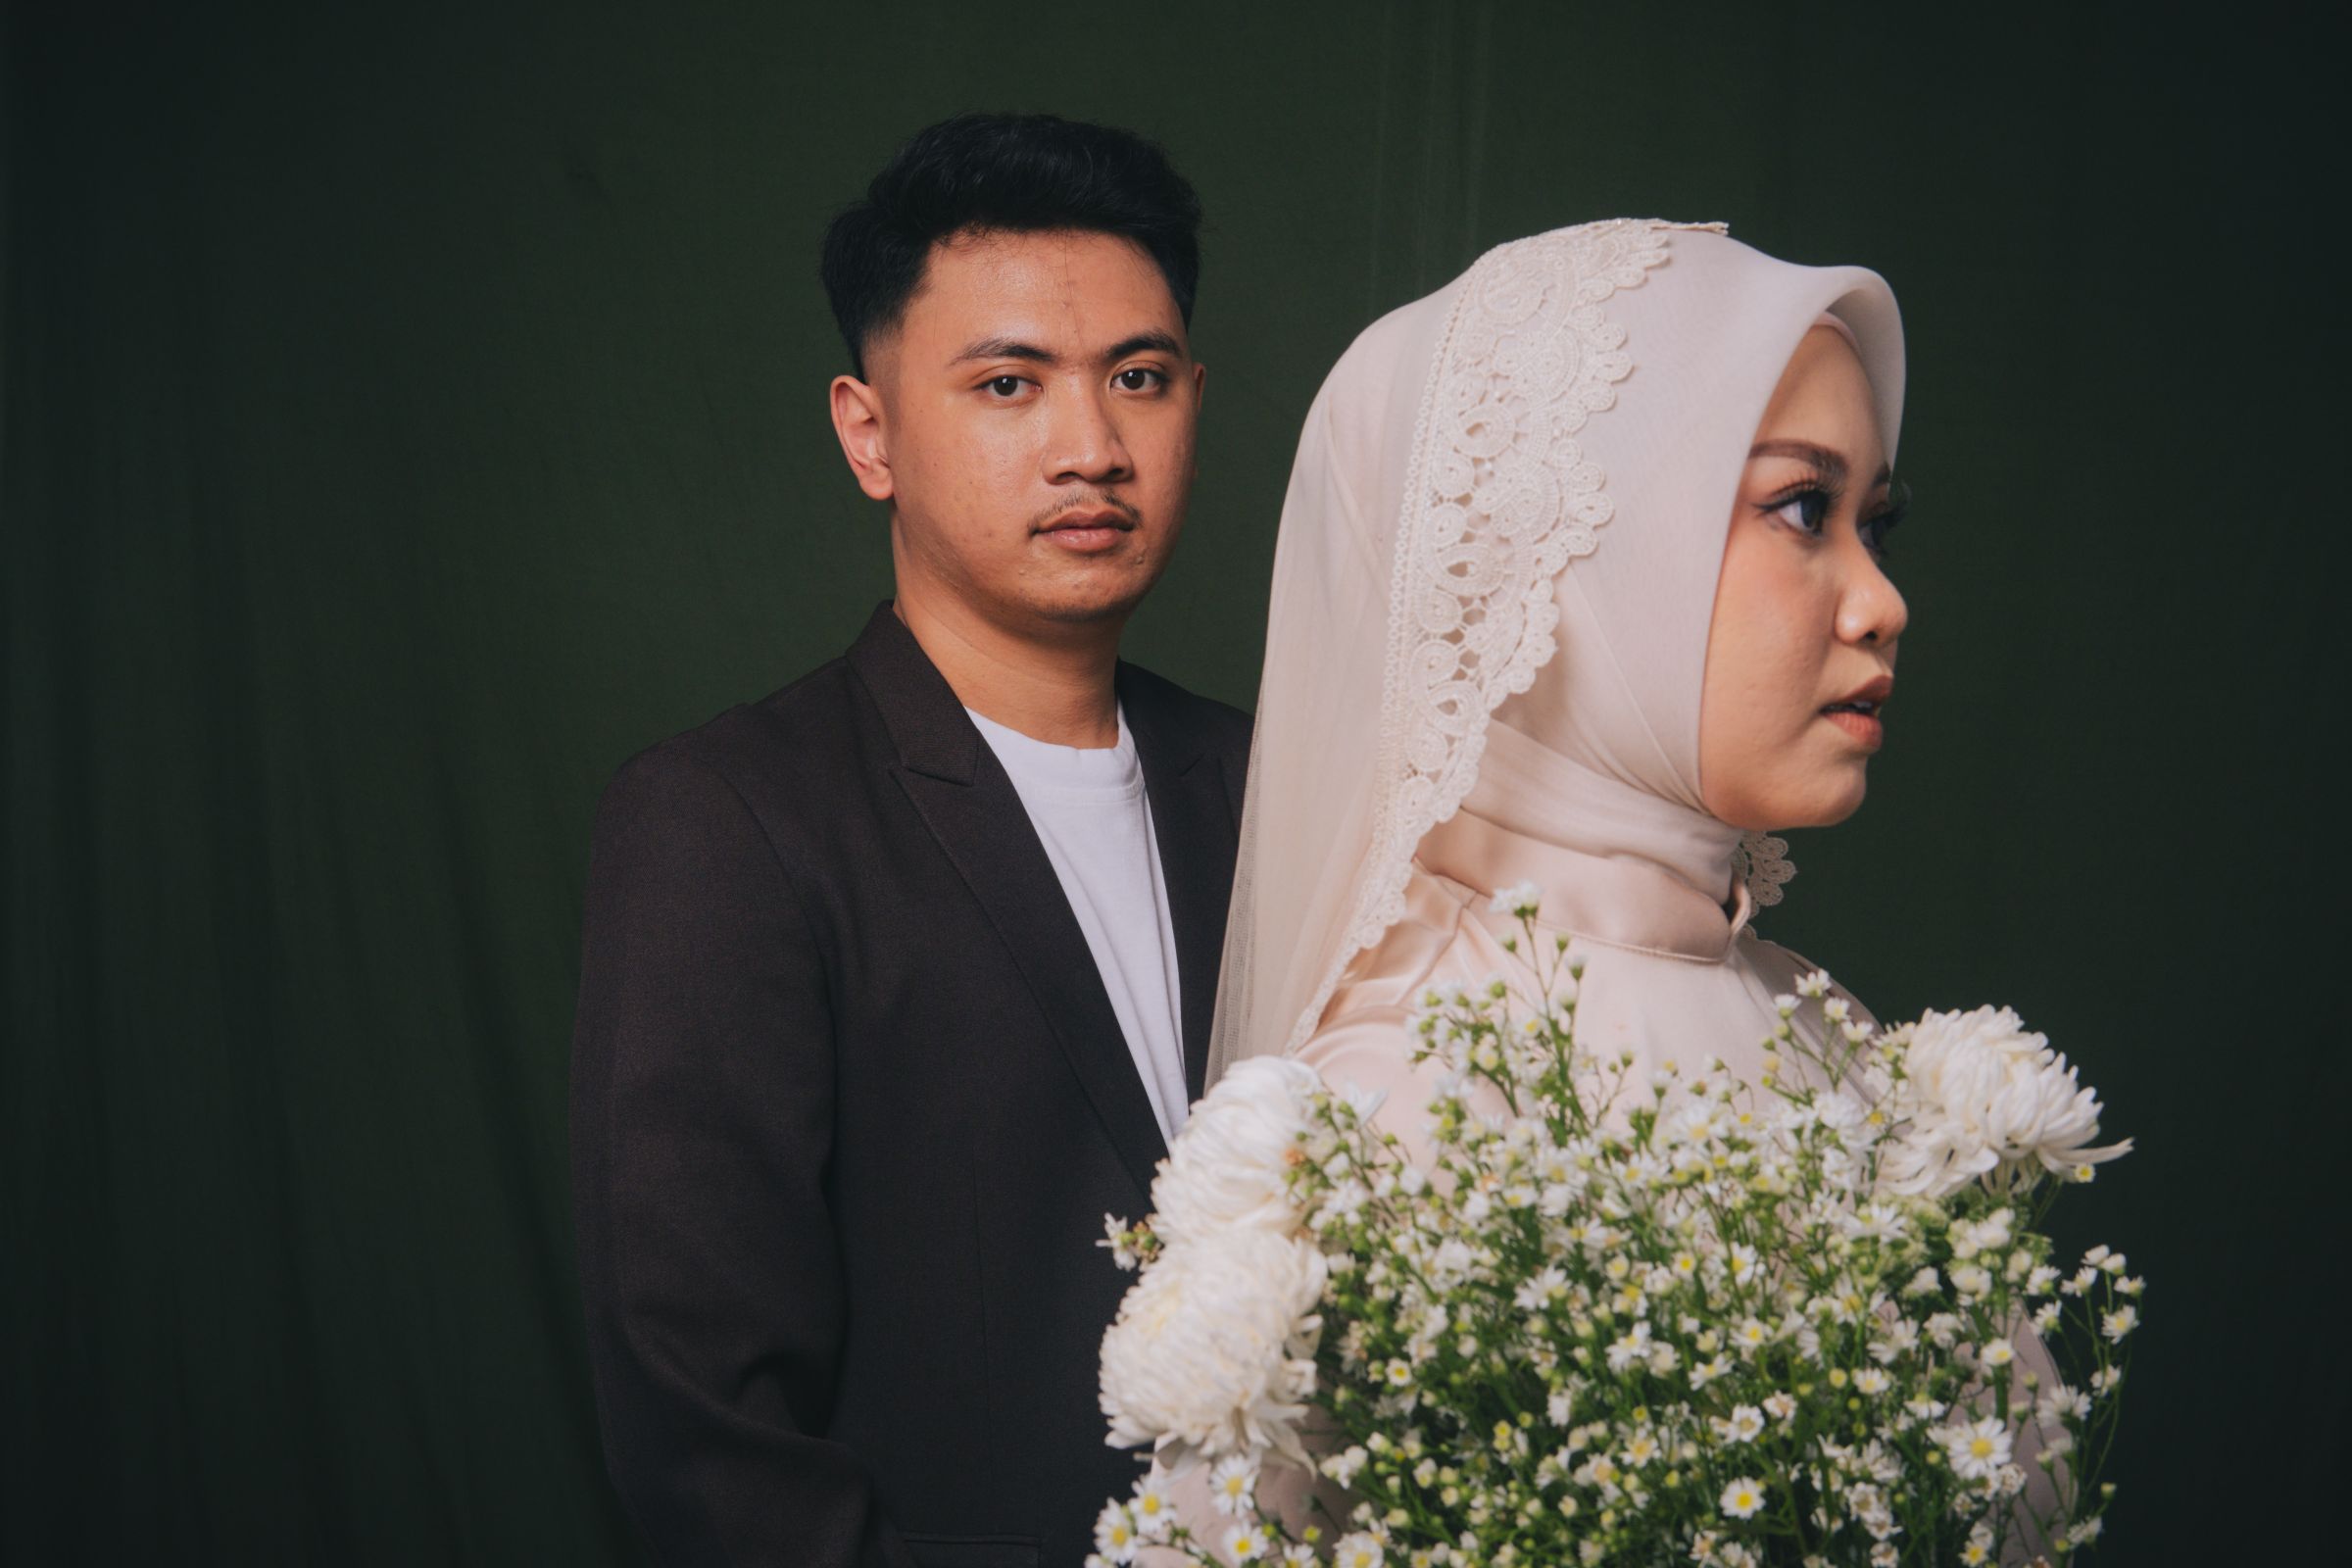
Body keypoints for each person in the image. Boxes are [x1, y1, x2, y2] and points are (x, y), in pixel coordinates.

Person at [1189, 219, 2061, 1561]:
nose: (1882, 602)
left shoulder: (1834, 1035)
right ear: (1574, 564)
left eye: (1873, 523)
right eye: (1800, 509)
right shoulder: (1394, 1105)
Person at [569, 113, 1250, 1568]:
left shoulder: (1272, 783)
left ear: (1194, 401)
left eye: (1138, 378)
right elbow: (706, 1433)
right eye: (1009, 384)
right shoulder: (730, 819)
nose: (1092, 448)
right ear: (868, 433)